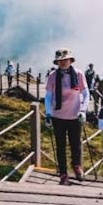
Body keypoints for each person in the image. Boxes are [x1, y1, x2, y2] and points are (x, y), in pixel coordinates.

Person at [43, 48, 88, 184]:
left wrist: (83, 110)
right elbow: (49, 95)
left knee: (76, 144)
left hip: (75, 115)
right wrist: (48, 114)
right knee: (60, 146)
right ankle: (63, 173)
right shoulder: (52, 76)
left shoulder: (79, 74)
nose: (63, 62)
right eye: (60, 60)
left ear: (70, 60)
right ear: (57, 62)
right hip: (58, 116)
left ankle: (77, 166)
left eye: (65, 59)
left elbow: (86, 93)